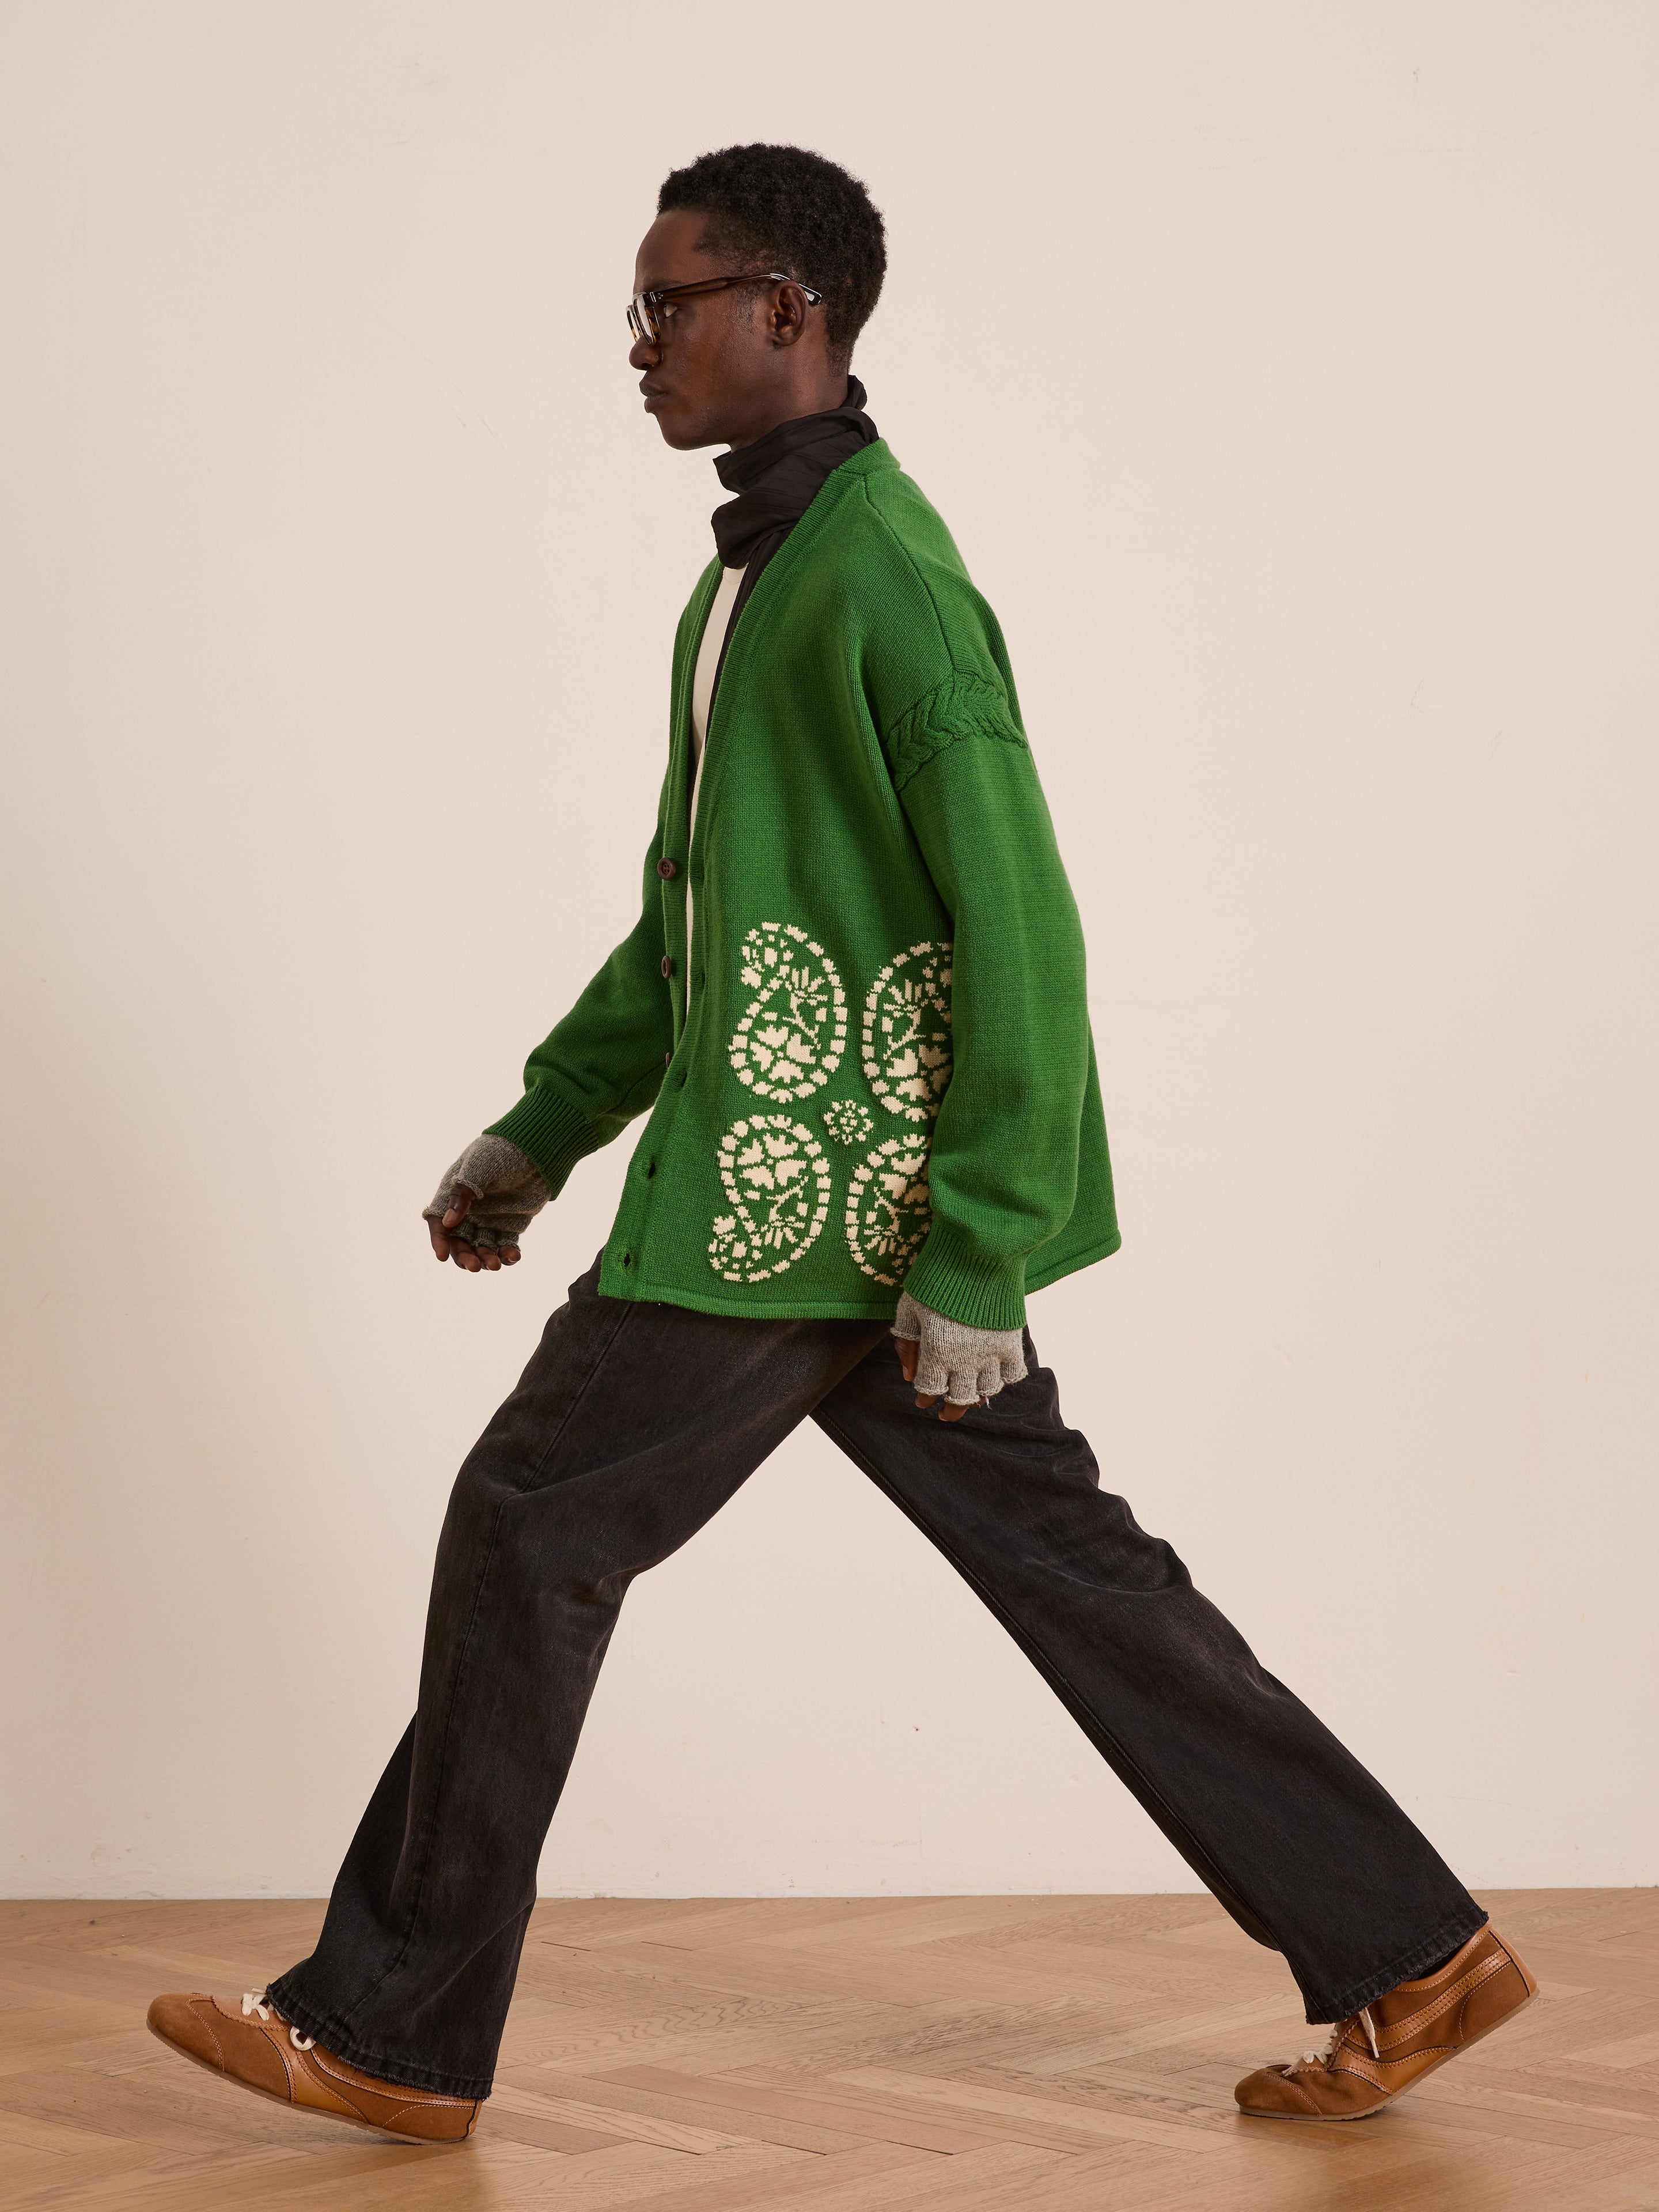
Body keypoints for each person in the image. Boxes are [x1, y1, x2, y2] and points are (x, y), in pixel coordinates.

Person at [147, 142, 1535, 2145]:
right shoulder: (753, 585)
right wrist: (535, 1138)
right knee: (1081, 1577)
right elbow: (689, 918)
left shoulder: (889, 576)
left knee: (533, 1523)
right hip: (804, 1190)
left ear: (789, 312)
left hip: (800, 1212)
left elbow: (1029, 934)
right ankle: (1413, 1953)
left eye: (669, 304)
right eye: (636, 310)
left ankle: (392, 2028)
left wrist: (977, 1252)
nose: (639, 347)